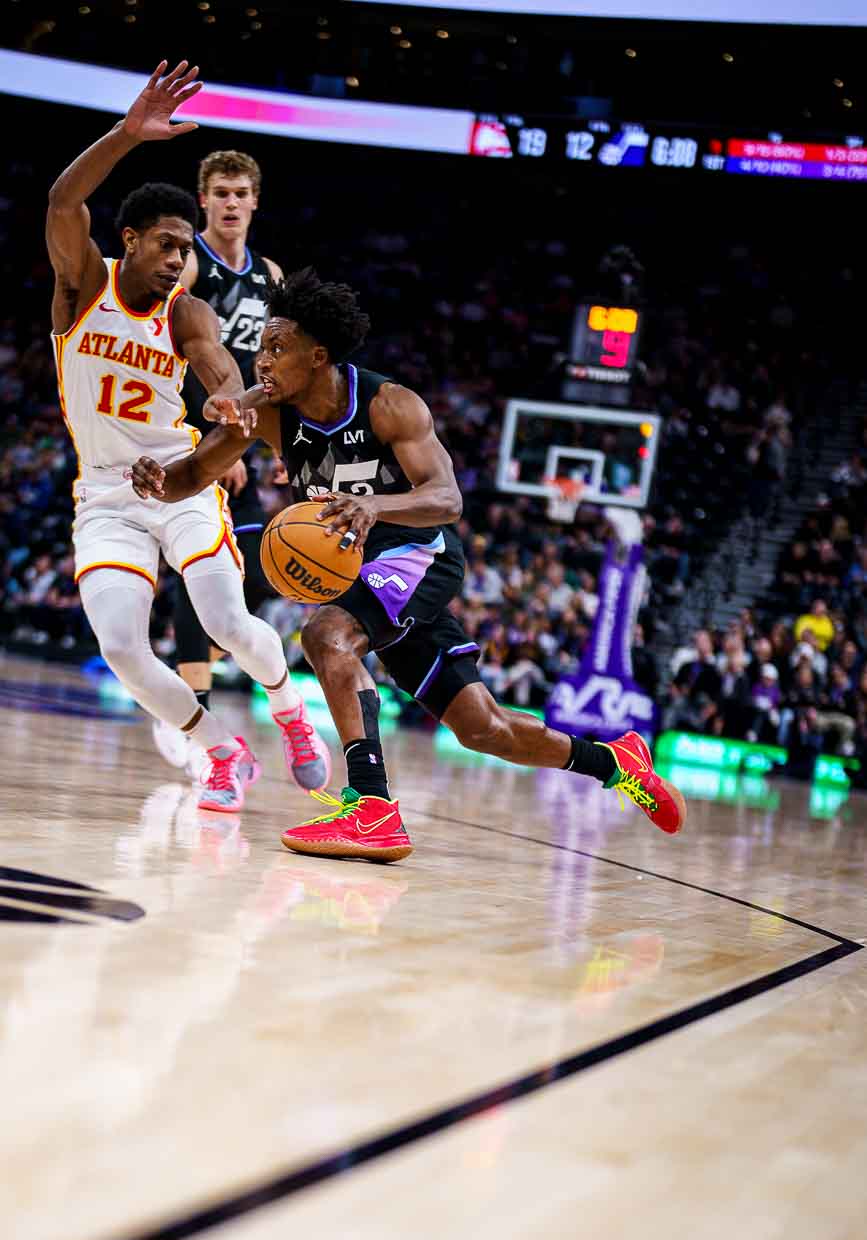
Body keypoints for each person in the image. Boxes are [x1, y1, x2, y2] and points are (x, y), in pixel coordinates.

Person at [131, 268, 685, 861]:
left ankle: (371, 806)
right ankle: (616, 761)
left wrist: (375, 504)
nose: (261, 362)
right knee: (482, 728)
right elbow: (192, 476)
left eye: (276, 348)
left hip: (418, 553)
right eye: (262, 347)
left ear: (318, 356)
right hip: (363, 574)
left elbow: (447, 499)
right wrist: (155, 481)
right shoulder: (268, 412)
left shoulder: (390, 404)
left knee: (325, 633)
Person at [46, 59, 330, 812]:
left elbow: (219, 373)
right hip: (105, 493)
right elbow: (63, 197)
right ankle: (218, 752)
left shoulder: (185, 311)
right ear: (131, 239)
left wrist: (230, 409)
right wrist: (126, 134)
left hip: (180, 479)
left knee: (226, 622)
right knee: (121, 649)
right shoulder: (82, 284)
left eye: (185, 250)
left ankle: (291, 711)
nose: (179, 259)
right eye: (167, 245)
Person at [152, 147, 285, 777]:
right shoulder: (188, 266)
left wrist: (290, 448)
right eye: (221, 193)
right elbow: (170, 350)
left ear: (256, 201)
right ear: (203, 199)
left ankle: (195, 685)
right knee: (202, 570)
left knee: (256, 568)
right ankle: (190, 706)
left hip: (247, 440)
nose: (231, 203)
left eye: (241, 193)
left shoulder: (271, 276)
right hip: (189, 433)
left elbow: (279, 366)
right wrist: (210, 447)